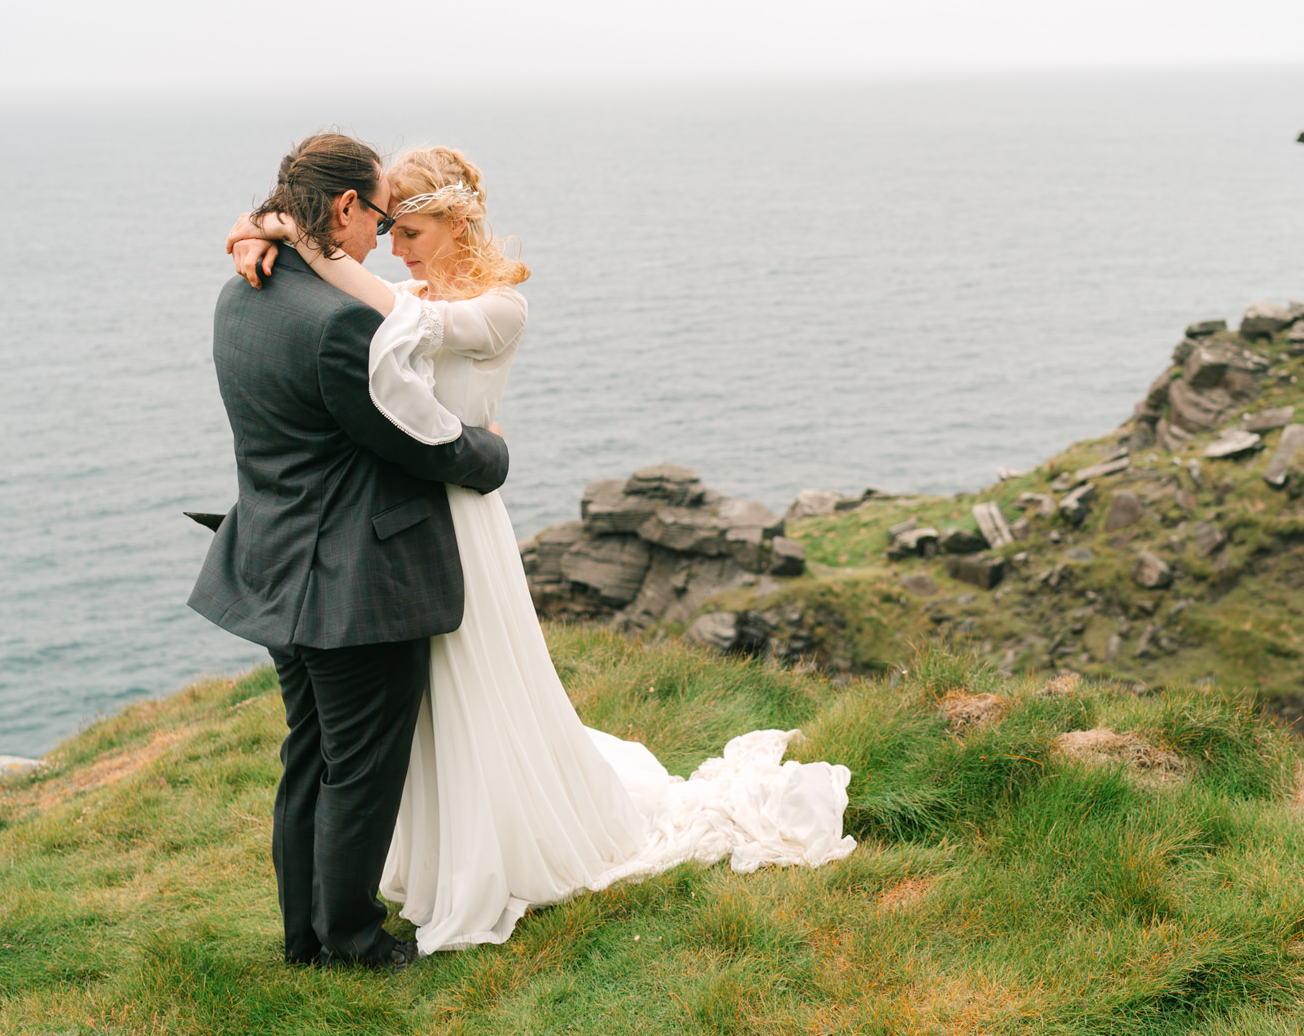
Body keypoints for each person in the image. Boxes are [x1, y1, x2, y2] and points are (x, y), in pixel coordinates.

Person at [226, 144, 854, 957]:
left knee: (474, 686)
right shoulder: (399, 288)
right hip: (407, 517)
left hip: (457, 517)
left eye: (409, 230)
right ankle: (434, 859)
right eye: (387, 226)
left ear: (454, 224)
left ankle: (488, 851)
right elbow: (384, 313)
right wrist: (257, 232)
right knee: (413, 716)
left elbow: (397, 317)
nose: (394, 244)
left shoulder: (496, 309)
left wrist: (290, 238)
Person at [190, 133, 510, 970]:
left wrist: (256, 225)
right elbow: (422, 443)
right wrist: (493, 455)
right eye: (375, 216)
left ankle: (305, 939)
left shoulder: (242, 292)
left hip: (268, 563)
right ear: (340, 209)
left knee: (310, 756)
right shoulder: (338, 327)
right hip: (346, 586)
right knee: (360, 772)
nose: (380, 236)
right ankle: (355, 942)